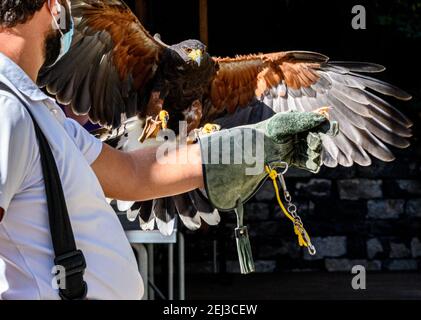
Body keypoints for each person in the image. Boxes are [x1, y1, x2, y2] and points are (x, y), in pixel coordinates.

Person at [0, 0, 331, 300]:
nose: (63, 11)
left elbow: (135, 174)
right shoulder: (6, 110)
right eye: (59, 3)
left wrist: (256, 144)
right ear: (45, 5)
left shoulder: (38, 115)